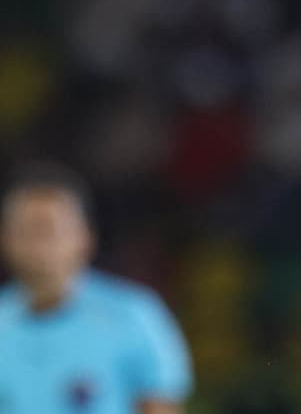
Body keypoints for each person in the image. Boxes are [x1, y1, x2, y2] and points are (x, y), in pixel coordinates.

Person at [0, 162, 192, 414]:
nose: (39, 243)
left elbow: (160, 405)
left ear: (85, 237)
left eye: (49, 230)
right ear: (5, 240)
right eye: (26, 230)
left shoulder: (134, 316)